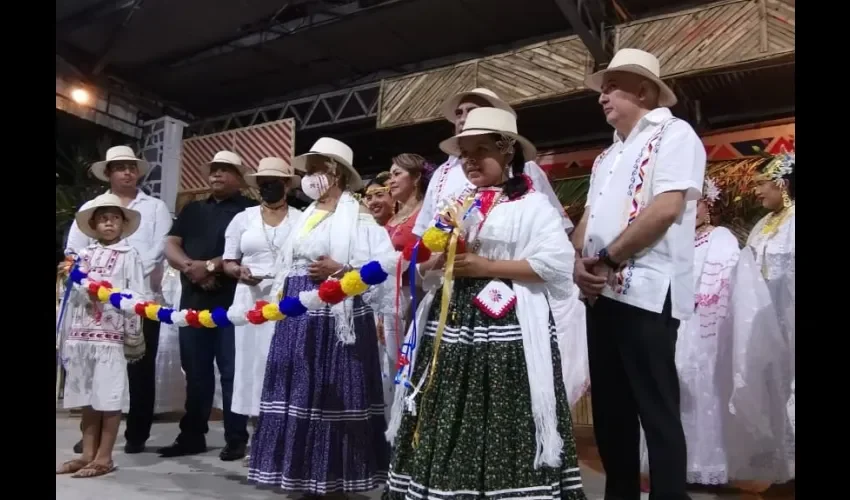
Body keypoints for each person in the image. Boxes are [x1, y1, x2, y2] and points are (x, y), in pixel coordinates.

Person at [385, 107, 587, 499]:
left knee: (502, 412)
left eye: (481, 150)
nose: (472, 160)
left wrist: (486, 265)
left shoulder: (531, 205)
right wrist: (433, 262)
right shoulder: (457, 206)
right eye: (465, 152)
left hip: (507, 327)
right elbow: (426, 253)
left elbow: (556, 264)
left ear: (507, 151)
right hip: (453, 322)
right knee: (449, 408)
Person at [572, 48, 705, 500]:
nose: (602, 97)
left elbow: (666, 208)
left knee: (657, 409)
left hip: (648, 290)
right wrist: (578, 262)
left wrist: (606, 259)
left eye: (612, 87)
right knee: (611, 411)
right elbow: (587, 220)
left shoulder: (674, 133)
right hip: (601, 292)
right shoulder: (607, 156)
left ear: (643, 90)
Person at [248, 138, 393, 495]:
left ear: (336, 172)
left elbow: (384, 264)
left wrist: (341, 267)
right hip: (298, 310)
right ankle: (299, 474)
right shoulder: (307, 215)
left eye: (316, 169)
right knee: (297, 388)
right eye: (309, 170)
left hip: (335, 310)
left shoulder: (357, 216)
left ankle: (333, 478)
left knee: (331, 392)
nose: (310, 176)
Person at [64, 145, 172, 454]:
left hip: (142, 298)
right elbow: (74, 252)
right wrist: (95, 283)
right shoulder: (92, 207)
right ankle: (92, 436)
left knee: (140, 366)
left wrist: (125, 275)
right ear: (109, 172)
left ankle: (136, 433)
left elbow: (159, 247)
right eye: (120, 166)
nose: (127, 171)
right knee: (94, 368)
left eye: (131, 166)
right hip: (94, 306)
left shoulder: (154, 207)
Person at [640, 177, 741, 489]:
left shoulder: (719, 238)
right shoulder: (673, 241)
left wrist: (697, 303)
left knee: (704, 390)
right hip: (673, 323)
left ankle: (707, 465)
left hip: (704, 326)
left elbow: (724, 279)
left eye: (696, 205)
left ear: (707, 205)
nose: (690, 211)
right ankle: (674, 467)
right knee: (673, 391)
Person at [161, 150, 257, 460]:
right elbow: (171, 244)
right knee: (196, 371)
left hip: (232, 303)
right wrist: (191, 267)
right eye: (213, 170)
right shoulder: (192, 209)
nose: (216, 175)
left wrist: (211, 267)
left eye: (225, 170)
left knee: (232, 371)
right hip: (193, 301)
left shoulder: (250, 211)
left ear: (239, 177)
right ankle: (192, 435)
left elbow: (247, 251)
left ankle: (236, 437)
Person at [56, 193, 146, 478]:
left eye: (115, 219)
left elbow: (138, 294)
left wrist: (130, 328)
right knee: (87, 395)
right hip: (83, 337)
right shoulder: (82, 258)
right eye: (103, 219)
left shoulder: (129, 256)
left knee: (109, 396)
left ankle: (105, 457)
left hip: (110, 335)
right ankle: (87, 454)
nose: (109, 224)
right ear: (93, 225)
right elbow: (69, 296)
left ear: (122, 224)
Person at [221, 157, 304, 464]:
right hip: (249, 301)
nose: (269, 186)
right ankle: (258, 442)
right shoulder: (242, 219)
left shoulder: (301, 218)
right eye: (263, 181)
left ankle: (283, 441)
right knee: (251, 369)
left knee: (283, 367)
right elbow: (229, 261)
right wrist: (238, 271)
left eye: (275, 181)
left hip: (287, 301)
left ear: (287, 184)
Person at [411, 87, 572, 239]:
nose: (464, 118)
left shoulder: (526, 169)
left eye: (473, 111)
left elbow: (556, 228)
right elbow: (424, 232)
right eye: (459, 113)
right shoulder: (441, 174)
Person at [724, 150, 795, 486]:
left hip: (791, 317)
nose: (756, 191)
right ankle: (780, 465)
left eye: (762, 184)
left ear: (782, 184)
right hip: (765, 323)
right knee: (772, 387)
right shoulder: (761, 226)